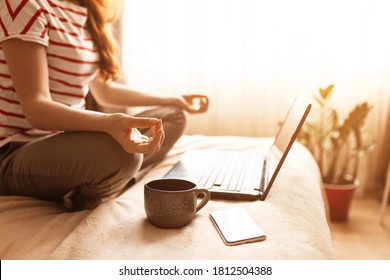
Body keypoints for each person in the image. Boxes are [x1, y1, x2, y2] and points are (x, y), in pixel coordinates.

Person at [0, 0, 209, 210]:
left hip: (65, 142)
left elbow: (105, 92)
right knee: (126, 152)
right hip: (15, 151)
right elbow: (36, 108)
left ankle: (100, 180)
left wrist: (172, 100)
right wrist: (108, 122)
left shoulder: (86, 11)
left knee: (172, 116)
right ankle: (99, 185)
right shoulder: (25, 5)